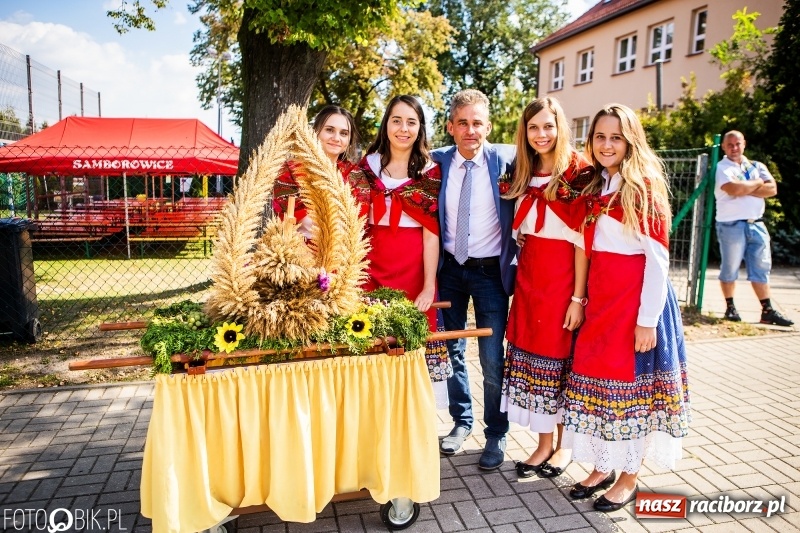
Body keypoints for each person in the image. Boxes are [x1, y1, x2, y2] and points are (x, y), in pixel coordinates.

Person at [561, 104, 690, 512]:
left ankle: (630, 476)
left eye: (616, 137)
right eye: (600, 136)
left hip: (635, 303)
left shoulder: (642, 186)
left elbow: (658, 259)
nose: (606, 144)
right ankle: (604, 465)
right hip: (603, 299)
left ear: (630, 140)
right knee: (600, 386)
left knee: (633, 392)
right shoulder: (596, 185)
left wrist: (647, 320)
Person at [499, 97, 593, 480]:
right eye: (533, 127)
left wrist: (577, 298)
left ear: (561, 127)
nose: (541, 135)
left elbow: (583, 241)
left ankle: (565, 448)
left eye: (548, 126)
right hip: (529, 279)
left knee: (561, 363)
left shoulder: (579, 174)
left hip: (563, 279)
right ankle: (542, 444)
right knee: (533, 360)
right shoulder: (520, 172)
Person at [431, 89, 517, 470]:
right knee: (451, 352)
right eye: (462, 123)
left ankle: (495, 432)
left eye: (477, 123)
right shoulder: (435, 163)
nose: (470, 130)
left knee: (491, 357)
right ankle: (460, 422)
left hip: (489, 273)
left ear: (489, 126)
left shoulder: (508, 163)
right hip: (449, 269)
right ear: (451, 127)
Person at [348, 95, 451, 401]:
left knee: (410, 340)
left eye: (411, 122)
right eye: (397, 120)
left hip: (413, 267)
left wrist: (428, 287)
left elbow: (431, 234)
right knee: (370, 337)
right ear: (386, 124)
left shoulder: (430, 173)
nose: (403, 128)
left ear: (420, 128)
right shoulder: (366, 167)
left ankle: (412, 420)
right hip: (370, 263)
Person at [714, 130, 793, 327]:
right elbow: (734, 189)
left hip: (756, 223)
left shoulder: (757, 166)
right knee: (730, 268)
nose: (734, 148)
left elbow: (772, 189)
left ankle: (767, 310)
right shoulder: (723, 167)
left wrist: (746, 186)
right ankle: (730, 307)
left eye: (737, 144)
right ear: (724, 147)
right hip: (731, 224)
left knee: (761, 267)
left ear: (744, 144)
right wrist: (758, 183)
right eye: (730, 145)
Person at [273, 105, 360, 239]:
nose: (336, 138)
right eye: (329, 130)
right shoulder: (292, 170)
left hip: (344, 254)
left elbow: (358, 222)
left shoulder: (354, 175)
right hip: (299, 252)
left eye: (344, 133)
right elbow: (297, 219)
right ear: (316, 132)